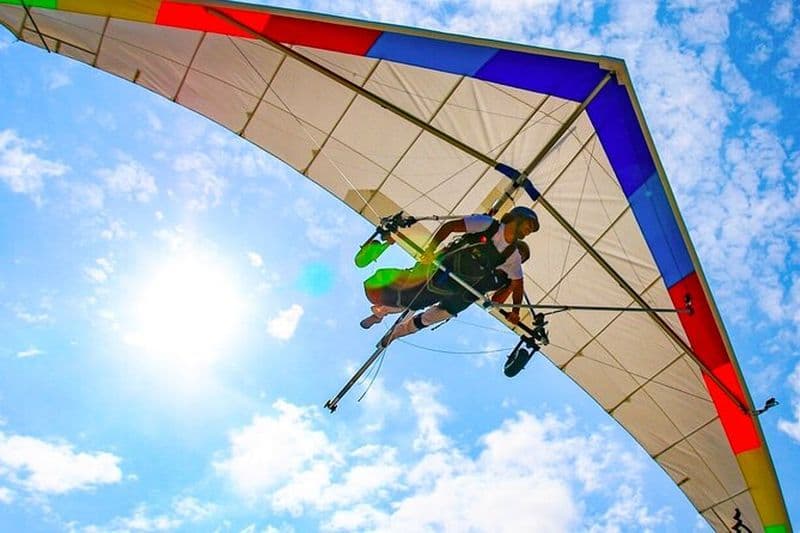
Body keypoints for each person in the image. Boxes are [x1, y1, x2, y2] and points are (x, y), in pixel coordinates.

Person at [360, 206, 539, 346]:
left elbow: (518, 284)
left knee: (429, 317)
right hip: (445, 269)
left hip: (460, 291)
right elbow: (450, 226)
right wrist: (430, 250)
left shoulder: (511, 256)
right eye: (528, 226)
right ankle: (380, 312)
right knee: (412, 299)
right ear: (517, 218)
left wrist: (515, 312)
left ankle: (395, 334)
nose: (528, 232)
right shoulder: (488, 224)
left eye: (531, 230)